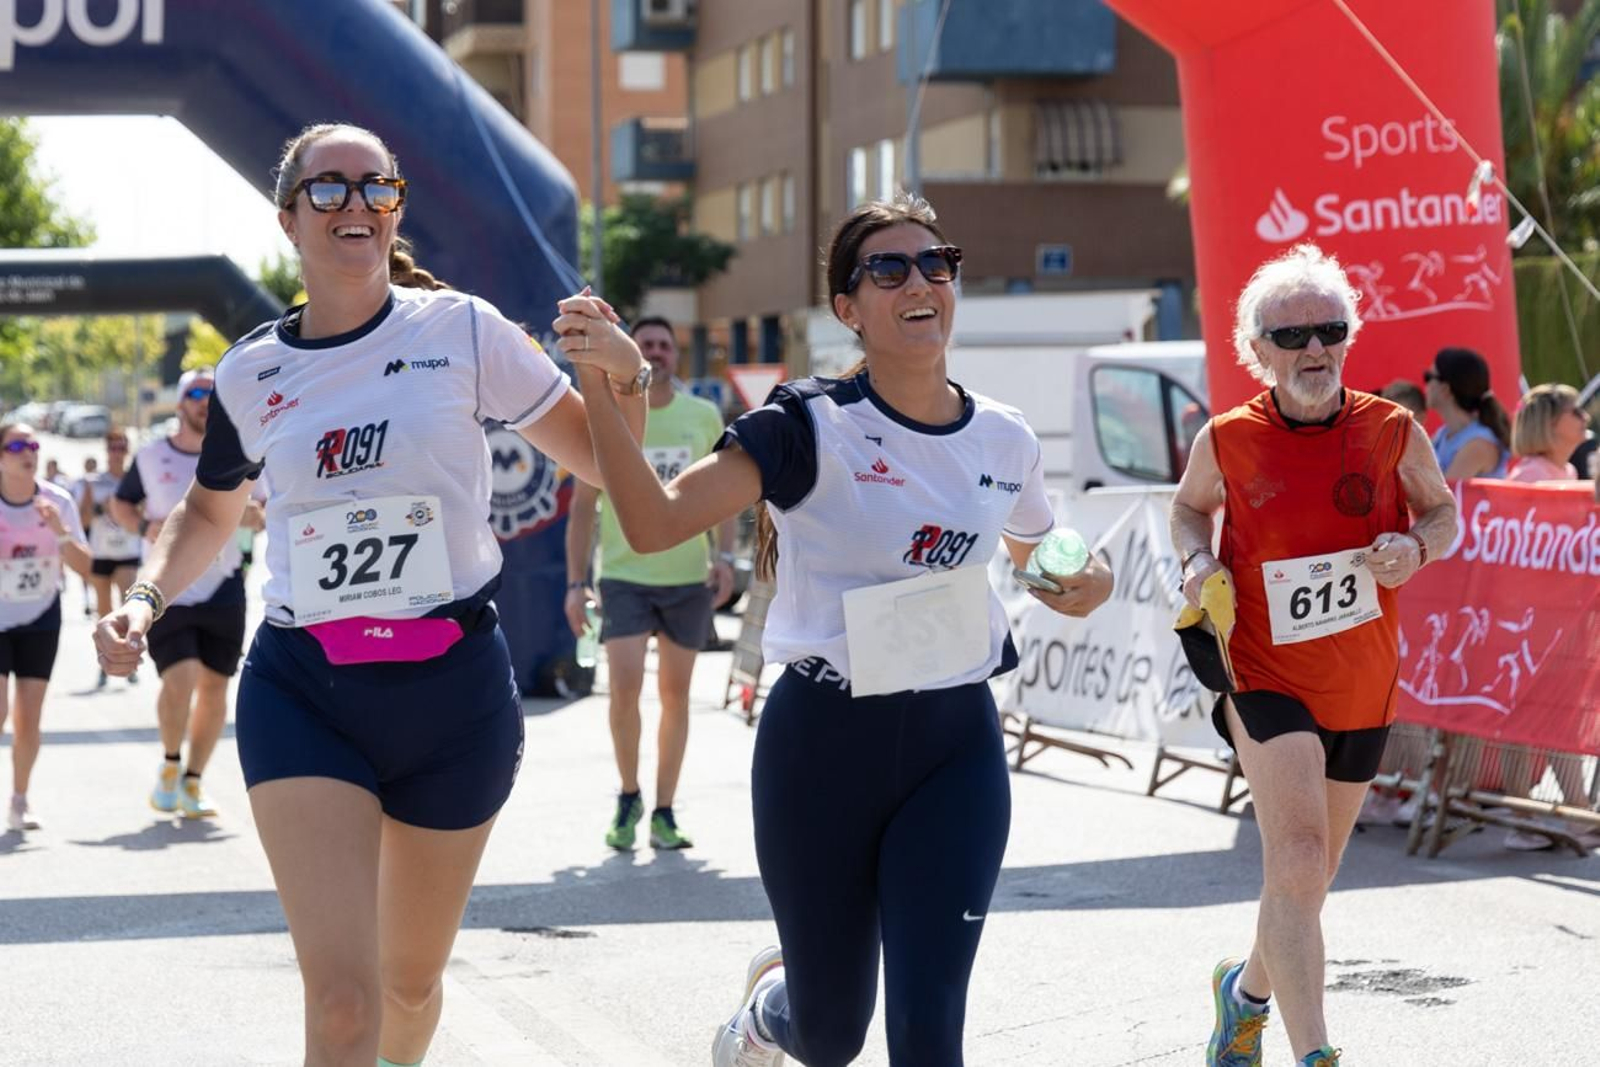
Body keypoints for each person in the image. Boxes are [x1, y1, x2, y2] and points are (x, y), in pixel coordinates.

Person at [93, 121, 645, 1067]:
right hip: (307, 686)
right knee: (344, 1001)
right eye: (330, 189)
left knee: (409, 987)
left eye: (375, 187)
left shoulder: (465, 330)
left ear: (396, 208)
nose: (355, 204)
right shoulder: (250, 370)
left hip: (454, 692)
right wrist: (145, 596)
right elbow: (210, 514)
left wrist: (623, 375)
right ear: (287, 219)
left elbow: (606, 462)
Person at [558, 191, 1115, 1067]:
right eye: (887, 268)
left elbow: (1043, 555)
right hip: (823, 744)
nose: (919, 280)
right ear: (848, 309)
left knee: (929, 1035)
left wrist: (1085, 580)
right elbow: (657, 521)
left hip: (954, 746)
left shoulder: (1003, 437)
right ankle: (767, 1014)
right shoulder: (805, 423)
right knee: (829, 1034)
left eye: (936, 263)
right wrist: (612, 383)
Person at [1170, 243, 1457, 1067]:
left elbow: (1442, 513)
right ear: (1254, 351)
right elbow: (1188, 511)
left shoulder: (1390, 428)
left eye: (1329, 330)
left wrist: (1416, 547)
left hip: (1362, 681)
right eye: (1290, 336)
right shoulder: (1227, 439)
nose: (1313, 349)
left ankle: (1245, 995)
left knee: (1308, 877)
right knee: (1294, 857)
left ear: (1348, 338)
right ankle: (1316, 1054)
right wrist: (1198, 561)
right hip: (1263, 671)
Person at [564, 315, 735, 851]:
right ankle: (628, 794)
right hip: (624, 575)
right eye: (646, 345)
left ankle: (664, 809)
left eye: (664, 345)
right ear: (631, 353)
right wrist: (575, 582)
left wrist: (726, 555)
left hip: (685, 577)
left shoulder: (702, 415)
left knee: (676, 696)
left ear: (675, 355)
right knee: (625, 687)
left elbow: (727, 490)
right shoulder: (610, 417)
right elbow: (582, 507)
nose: (656, 353)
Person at [112, 368, 265, 819]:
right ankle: (170, 764)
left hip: (223, 584)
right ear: (180, 404)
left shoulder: (242, 453)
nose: (205, 401)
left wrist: (253, 517)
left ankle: (194, 781)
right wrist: (143, 526)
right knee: (180, 680)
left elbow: (264, 511)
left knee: (216, 687)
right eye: (197, 393)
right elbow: (121, 504)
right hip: (169, 590)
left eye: (213, 394)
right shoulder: (151, 455)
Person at [0, 422, 91, 832]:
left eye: (33, 444)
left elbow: (88, 569)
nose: (28, 451)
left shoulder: (58, 501)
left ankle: (19, 800)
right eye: (17, 444)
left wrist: (61, 533)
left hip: (41, 614)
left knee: (29, 716)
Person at [80, 430, 143, 685]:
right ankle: (103, 662)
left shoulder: (136, 480)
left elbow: (145, 513)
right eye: (113, 448)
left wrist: (131, 510)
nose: (117, 453)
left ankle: (130, 662)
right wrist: (101, 507)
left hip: (127, 552)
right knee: (104, 612)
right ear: (106, 451)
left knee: (128, 606)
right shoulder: (93, 482)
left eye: (122, 447)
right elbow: (82, 518)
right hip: (101, 552)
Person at [1424, 347, 1510, 478]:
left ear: (1445, 389)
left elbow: (1442, 497)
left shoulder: (1478, 445)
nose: (1426, 385)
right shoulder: (1444, 434)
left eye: (1428, 377)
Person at [1508, 383, 1588, 483]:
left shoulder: (1569, 471)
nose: (1585, 417)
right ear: (1549, 422)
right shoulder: (1530, 475)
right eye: (1576, 412)